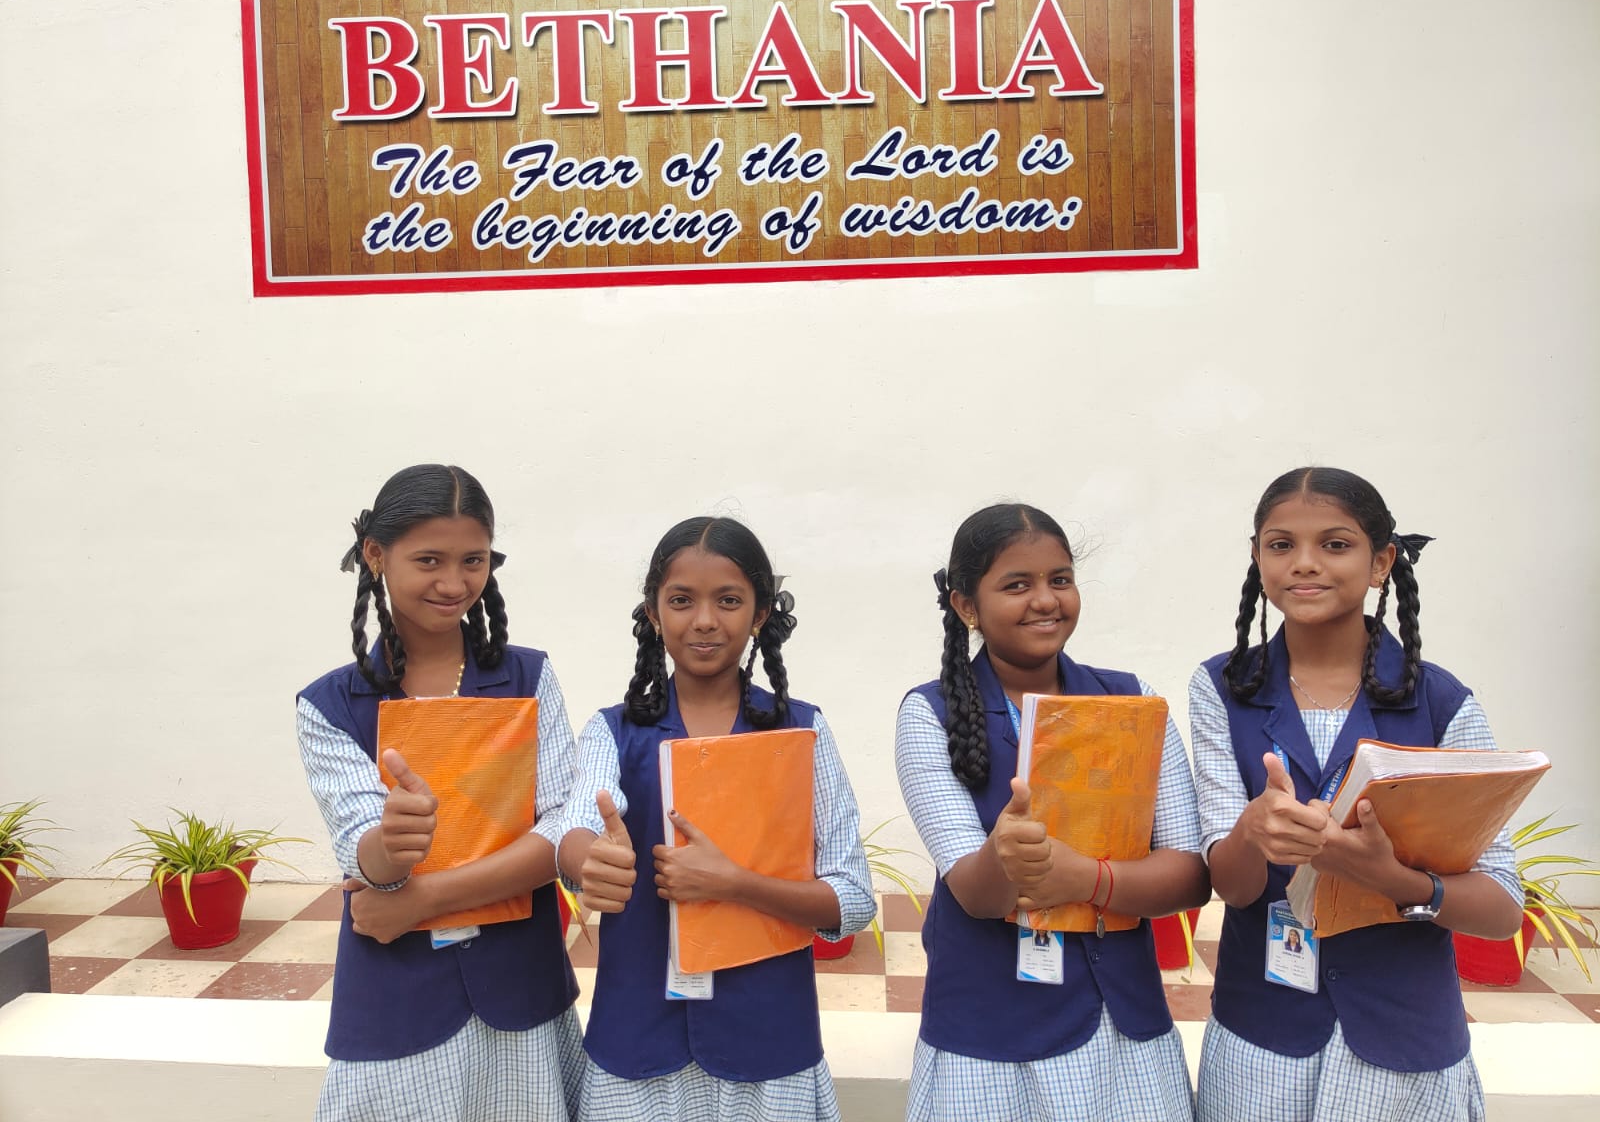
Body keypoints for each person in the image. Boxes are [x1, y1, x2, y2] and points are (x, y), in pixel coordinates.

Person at [1190, 466, 1523, 1122]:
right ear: (1257, 558)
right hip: (1263, 1040)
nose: (1304, 562)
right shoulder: (1222, 689)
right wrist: (1253, 829)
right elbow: (1230, 885)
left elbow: (1503, 907)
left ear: (1381, 563)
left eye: (1336, 544)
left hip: (1405, 1041)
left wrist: (1393, 878)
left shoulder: (1442, 704)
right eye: (1280, 544)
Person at [895, 503, 1208, 1122]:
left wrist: (1084, 879)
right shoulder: (928, 716)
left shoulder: (1133, 701)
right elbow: (977, 895)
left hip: (1124, 1028)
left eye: (1060, 579)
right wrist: (1004, 852)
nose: (1045, 600)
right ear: (966, 605)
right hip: (990, 1037)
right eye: (1017, 585)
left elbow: (1191, 874)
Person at [557, 516, 874, 1121]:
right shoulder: (612, 731)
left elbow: (853, 900)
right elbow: (577, 828)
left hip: (769, 1042)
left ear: (759, 614)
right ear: (653, 613)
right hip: (638, 1042)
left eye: (728, 600)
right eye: (681, 600)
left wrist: (735, 884)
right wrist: (588, 858)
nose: (704, 620)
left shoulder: (803, 733)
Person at [296, 464, 583, 1122]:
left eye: (472, 561)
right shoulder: (331, 705)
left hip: (520, 988)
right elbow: (366, 863)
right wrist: (390, 844)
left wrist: (424, 896)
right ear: (376, 555)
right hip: (398, 999)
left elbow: (559, 829)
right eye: (429, 560)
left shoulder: (528, 678)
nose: (454, 584)